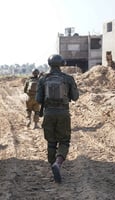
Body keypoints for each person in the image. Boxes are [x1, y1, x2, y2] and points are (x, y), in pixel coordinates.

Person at [36, 54, 79, 183]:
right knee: (64, 141)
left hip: (48, 113)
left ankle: (52, 165)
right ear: (61, 64)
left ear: (49, 64)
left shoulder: (43, 79)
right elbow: (75, 97)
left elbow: (38, 99)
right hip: (63, 113)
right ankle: (58, 164)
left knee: (51, 142)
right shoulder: (68, 78)